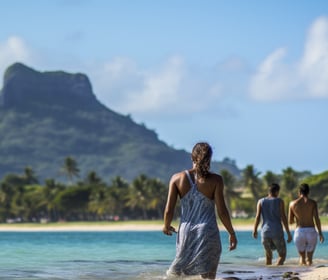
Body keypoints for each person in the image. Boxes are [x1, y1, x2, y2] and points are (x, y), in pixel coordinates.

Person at [163, 142, 237, 279]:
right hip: (208, 230)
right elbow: (222, 211)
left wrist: (166, 226)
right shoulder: (216, 180)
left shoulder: (176, 178)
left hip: (185, 231)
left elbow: (169, 210)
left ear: (192, 157)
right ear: (209, 159)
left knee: (178, 271)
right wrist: (231, 233)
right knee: (208, 275)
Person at [253, 183, 292, 265]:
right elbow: (283, 217)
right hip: (277, 231)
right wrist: (288, 233)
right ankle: (276, 272)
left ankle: (269, 275)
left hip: (265, 232)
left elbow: (257, 217)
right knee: (282, 255)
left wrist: (255, 230)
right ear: (277, 191)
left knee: (268, 256)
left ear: (269, 191)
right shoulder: (280, 201)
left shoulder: (260, 201)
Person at [288, 183, 325, 265]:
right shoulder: (313, 203)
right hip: (311, 231)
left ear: (299, 192)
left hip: (299, 232)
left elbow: (290, 221)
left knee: (302, 258)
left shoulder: (292, 204)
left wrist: (298, 218)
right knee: (309, 259)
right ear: (308, 192)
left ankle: (303, 274)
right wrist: (320, 233)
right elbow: (316, 219)